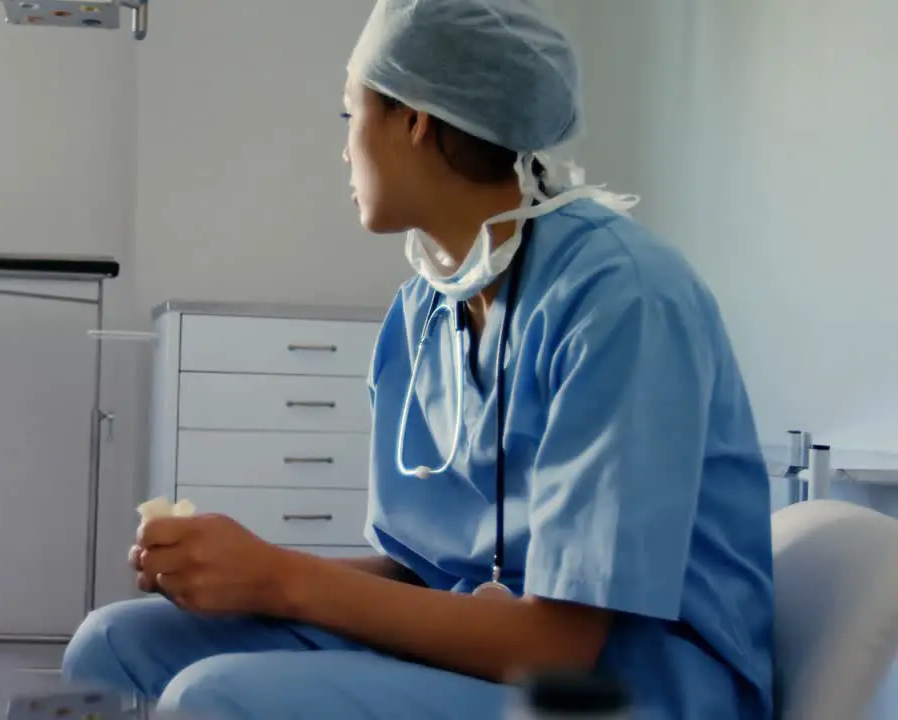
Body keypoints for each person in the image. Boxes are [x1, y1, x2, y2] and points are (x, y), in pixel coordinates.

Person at [63, 1, 775, 718]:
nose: (344, 149)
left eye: (351, 116)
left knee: (217, 697)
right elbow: (420, 574)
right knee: (116, 644)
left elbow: (560, 644)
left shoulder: (623, 299)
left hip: (631, 687)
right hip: (482, 654)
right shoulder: (421, 310)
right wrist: (234, 573)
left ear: (416, 120)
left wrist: (279, 577)